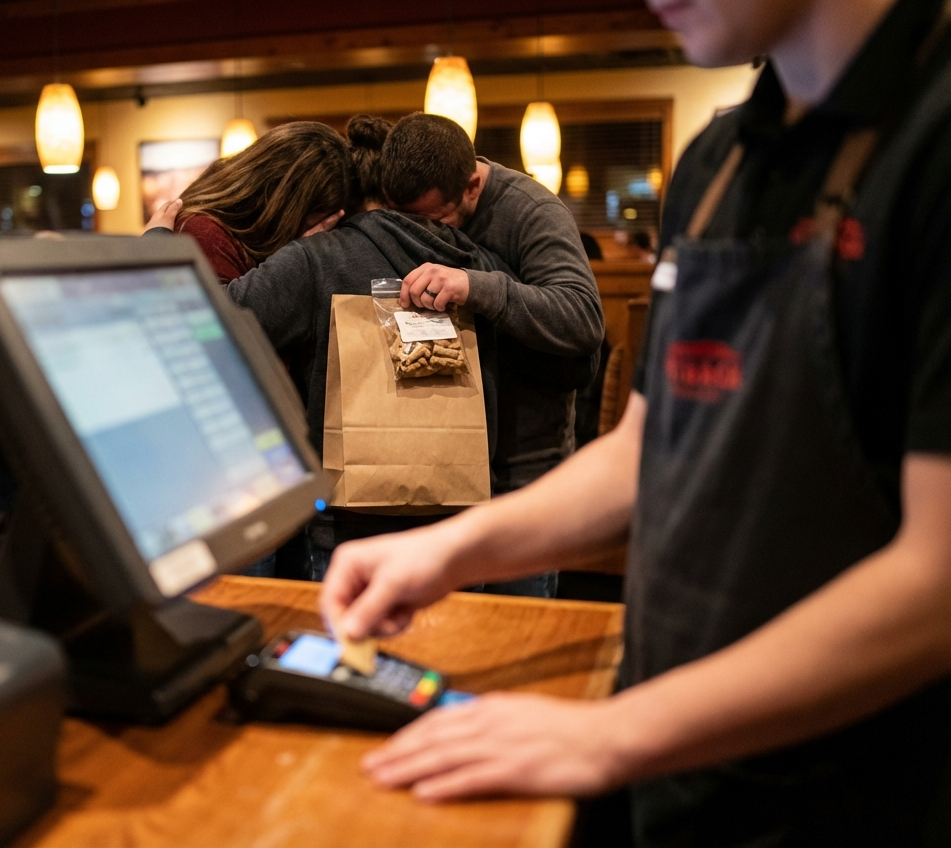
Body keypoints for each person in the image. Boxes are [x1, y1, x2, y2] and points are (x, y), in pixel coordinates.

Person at [319, 0, 951, 845]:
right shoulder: (717, 162)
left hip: (851, 789)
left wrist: (610, 734)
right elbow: (645, 452)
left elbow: (938, 578)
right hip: (678, 749)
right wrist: (446, 550)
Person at [378, 114, 603, 595]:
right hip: (442, 464)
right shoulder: (420, 200)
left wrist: (474, 285)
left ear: (473, 185)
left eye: (434, 220)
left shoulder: (532, 211)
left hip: (521, 468)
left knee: (516, 626)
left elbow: (583, 319)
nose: (422, 232)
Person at [174, 121, 353, 282]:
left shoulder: (241, 236)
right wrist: (297, 255)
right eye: (320, 222)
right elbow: (237, 317)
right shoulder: (206, 234)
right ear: (283, 203)